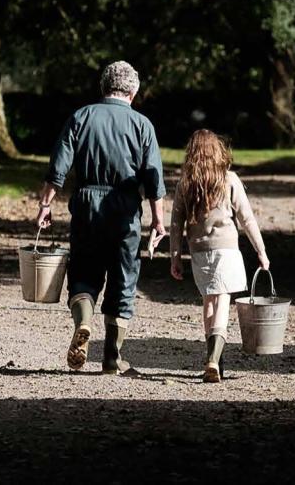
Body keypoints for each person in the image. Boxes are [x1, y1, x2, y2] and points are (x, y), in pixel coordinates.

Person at [36, 61, 167, 375]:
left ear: (103, 86)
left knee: (83, 271)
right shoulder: (142, 125)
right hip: (124, 208)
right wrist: (158, 221)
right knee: (124, 280)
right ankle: (111, 358)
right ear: (133, 92)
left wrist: (44, 205)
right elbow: (154, 179)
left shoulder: (81, 117)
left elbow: (58, 168)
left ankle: (83, 321)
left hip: (86, 204)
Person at [169, 129, 269, 383]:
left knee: (208, 301)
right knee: (223, 299)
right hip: (226, 249)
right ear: (218, 152)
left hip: (199, 251)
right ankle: (215, 359)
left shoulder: (185, 183)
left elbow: (176, 224)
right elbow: (247, 218)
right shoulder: (229, 179)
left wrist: (175, 257)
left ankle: (213, 358)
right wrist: (261, 250)